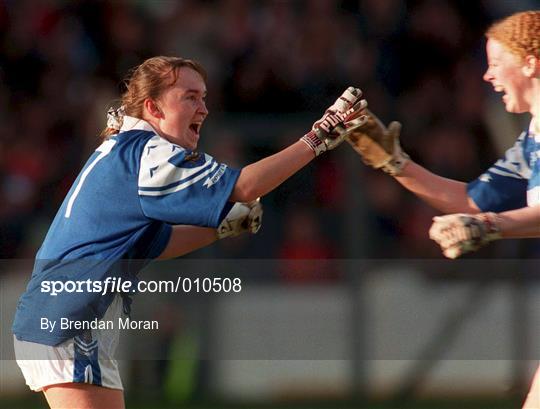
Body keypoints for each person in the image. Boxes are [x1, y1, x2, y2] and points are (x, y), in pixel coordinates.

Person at [12, 56, 368, 409]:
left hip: (63, 316)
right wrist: (319, 136)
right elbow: (243, 187)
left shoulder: (126, 149)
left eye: (204, 97)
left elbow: (160, 244)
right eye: (190, 96)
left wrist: (224, 227)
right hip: (71, 319)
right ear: (152, 107)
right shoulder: (147, 152)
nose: (204, 108)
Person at [345, 10, 539, 407]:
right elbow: (471, 200)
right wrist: (395, 163)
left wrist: (485, 226)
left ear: (531, 63)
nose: (488, 76)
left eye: (497, 63)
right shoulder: (534, 135)